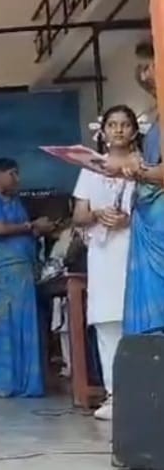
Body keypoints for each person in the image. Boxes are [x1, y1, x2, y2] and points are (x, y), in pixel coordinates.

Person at [71, 105, 141, 420]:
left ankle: (142, 394)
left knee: (137, 321)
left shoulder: (144, 165)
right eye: (112, 124)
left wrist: (129, 219)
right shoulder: (91, 168)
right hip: (102, 252)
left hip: (135, 249)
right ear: (103, 131)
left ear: (134, 130)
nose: (118, 130)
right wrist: (98, 214)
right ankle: (115, 395)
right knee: (106, 321)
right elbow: (78, 216)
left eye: (124, 124)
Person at [0, 158, 54, 398]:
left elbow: (26, 230)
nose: (17, 179)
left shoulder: (16, 203)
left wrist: (40, 229)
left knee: (23, 324)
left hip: (21, 273)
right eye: (13, 174)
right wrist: (31, 225)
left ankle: (24, 383)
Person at [106, 39, 164, 337]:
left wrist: (134, 170)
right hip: (149, 219)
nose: (144, 74)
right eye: (141, 68)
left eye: (149, 66)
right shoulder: (155, 113)